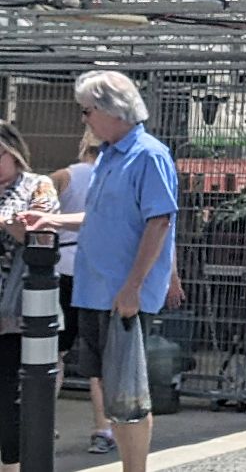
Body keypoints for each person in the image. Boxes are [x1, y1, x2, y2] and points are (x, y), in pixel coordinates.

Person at [23, 70, 178, 472]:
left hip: (121, 296)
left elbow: (159, 221)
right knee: (112, 390)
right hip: (95, 291)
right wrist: (52, 222)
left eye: (87, 110)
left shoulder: (149, 154)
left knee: (128, 394)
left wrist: (133, 288)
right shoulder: (110, 154)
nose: (84, 119)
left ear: (112, 110)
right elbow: (98, 217)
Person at [49, 132, 115, 454]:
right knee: (97, 358)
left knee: (53, 353)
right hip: (98, 273)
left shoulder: (64, 176)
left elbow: (41, 209)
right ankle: (103, 428)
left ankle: (44, 422)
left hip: (63, 267)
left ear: (81, 146)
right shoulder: (113, 176)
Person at [0, 121, 58, 472]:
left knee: (9, 397)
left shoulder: (38, 185)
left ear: (14, 153)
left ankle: (11, 464)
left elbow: (44, 235)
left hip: (15, 309)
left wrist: (14, 225)